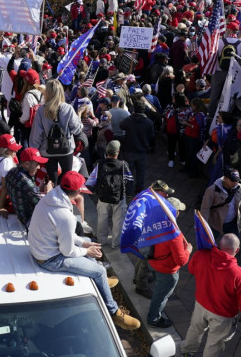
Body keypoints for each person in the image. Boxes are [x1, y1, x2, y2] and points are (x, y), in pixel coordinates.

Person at [27, 170, 140, 331]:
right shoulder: (65, 216)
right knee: (99, 270)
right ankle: (114, 312)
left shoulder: (50, 199)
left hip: (41, 249)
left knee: (87, 241)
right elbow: (67, 252)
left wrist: (85, 245)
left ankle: (102, 283)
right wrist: (87, 252)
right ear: (78, 191)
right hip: (49, 259)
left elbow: (64, 235)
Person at [181, 233, 241, 357]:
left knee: (195, 329)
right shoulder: (239, 275)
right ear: (237, 250)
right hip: (222, 315)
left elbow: (191, 269)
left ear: (219, 244)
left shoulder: (201, 255)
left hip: (200, 304)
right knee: (214, 343)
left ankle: (186, 352)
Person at [146, 196, 191, 328]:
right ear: (173, 212)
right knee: (161, 296)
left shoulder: (153, 221)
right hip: (167, 270)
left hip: (153, 263)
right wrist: (188, 250)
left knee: (158, 289)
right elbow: (181, 260)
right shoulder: (174, 234)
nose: (179, 212)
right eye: (178, 210)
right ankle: (153, 319)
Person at [29, 79, 84, 185]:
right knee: (67, 178)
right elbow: (77, 129)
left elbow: (36, 134)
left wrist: (34, 152)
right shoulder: (68, 108)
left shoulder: (41, 110)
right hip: (66, 149)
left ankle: (52, 197)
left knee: (51, 180)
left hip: (47, 150)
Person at [85, 140, 133, 249]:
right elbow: (129, 180)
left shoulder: (99, 164)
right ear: (118, 152)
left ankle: (102, 241)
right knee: (118, 221)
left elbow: (91, 182)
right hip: (119, 198)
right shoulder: (123, 165)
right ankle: (115, 243)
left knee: (102, 218)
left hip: (102, 198)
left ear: (107, 151)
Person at [0, 147, 50, 229]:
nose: (39, 167)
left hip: (20, 214)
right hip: (31, 219)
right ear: (27, 164)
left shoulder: (12, 171)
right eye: (37, 164)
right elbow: (44, 204)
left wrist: (0, 208)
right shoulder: (26, 182)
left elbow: (29, 192)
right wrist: (49, 190)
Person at [200, 168, 241, 239]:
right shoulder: (212, 190)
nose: (235, 183)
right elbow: (205, 209)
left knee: (233, 245)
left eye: (237, 180)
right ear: (225, 178)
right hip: (215, 224)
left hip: (232, 223)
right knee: (208, 244)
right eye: (232, 180)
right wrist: (205, 227)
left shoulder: (240, 188)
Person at [119, 99, 155, 193]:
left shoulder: (129, 120)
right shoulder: (149, 122)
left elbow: (121, 125)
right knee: (141, 171)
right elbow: (152, 136)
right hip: (142, 151)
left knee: (129, 171)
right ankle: (139, 188)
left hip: (129, 150)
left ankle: (129, 190)